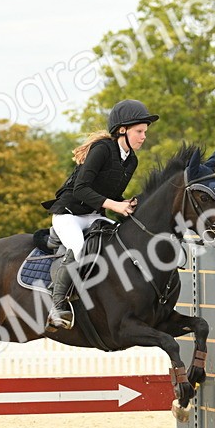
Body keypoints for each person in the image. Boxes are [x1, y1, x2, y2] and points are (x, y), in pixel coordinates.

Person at [41, 99, 158, 329]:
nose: (144, 136)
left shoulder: (131, 160)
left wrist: (125, 203)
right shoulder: (102, 149)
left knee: (120, 239)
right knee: (77, 247)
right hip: (69, 214)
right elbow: (81, 189)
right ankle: (57, 306)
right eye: (139, 131)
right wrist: (116, 206)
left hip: (92, 215)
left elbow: (110, 193)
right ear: (122, 130)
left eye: (145, 131)